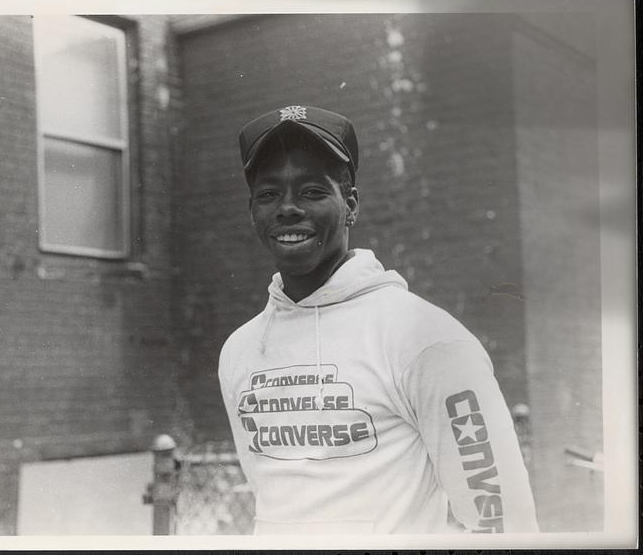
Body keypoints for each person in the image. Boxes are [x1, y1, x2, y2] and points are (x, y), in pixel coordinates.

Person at [218, 105, 539, 534]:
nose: (288, 208)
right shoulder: (240, 349)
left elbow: (503, 521)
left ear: (350, 203)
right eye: (269, 193)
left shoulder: (427, 339)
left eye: (312, 191)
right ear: (252, 210)